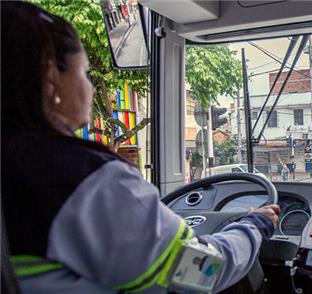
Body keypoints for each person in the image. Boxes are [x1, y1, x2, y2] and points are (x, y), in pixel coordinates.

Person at [1, 2, 280, 293]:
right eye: (84, 73)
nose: (92, 88)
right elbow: (202, 271)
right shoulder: (86, 182)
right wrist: (255, 226)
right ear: (50, 76)